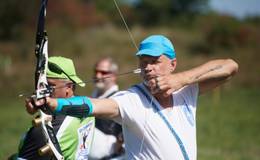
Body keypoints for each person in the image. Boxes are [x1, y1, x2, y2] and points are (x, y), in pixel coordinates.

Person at [30, 35, 239, 160]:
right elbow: (91, 105)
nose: (148, 68)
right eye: (143, 62)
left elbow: (230, 66)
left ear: (173, 64)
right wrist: (53, 103)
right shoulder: (131, 99)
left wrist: (181, 80)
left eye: (155, 61)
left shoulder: (187, 90)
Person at [17, 56, 95, 160]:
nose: (44, 91)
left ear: (68, 87)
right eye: (41, 86)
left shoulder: (51, 125)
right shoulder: (86, 108)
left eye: (50, 86)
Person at [89, 57, 124, 160]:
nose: (98, 75)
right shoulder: (92, 98)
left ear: (113, 76)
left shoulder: (120, 100)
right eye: (96, 71)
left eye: (103, 72)